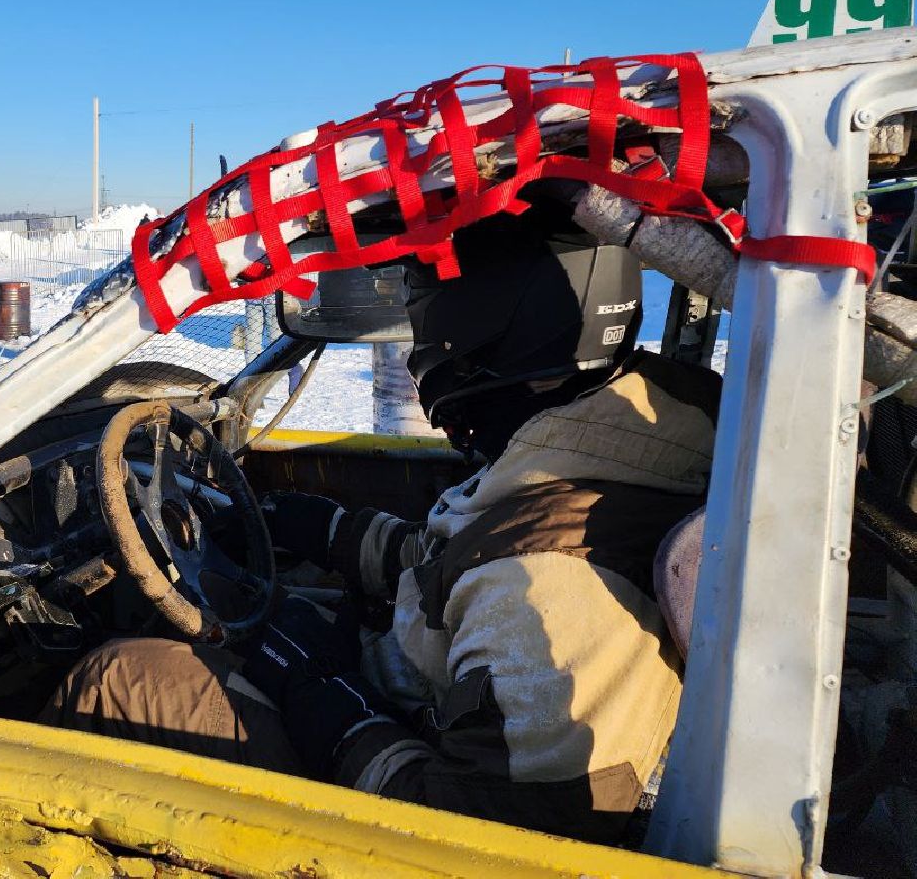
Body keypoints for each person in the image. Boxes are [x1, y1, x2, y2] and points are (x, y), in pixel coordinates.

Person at [42, 212, 721, 844]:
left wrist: (336, 711)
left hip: (403, 801)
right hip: (414, 693)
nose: (421, 329)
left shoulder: (553, 586)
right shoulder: (609, 451)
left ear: (485, 319)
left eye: (425, 300)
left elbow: (484, 841)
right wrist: (324, 529)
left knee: (120, 675)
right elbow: (462, 563)